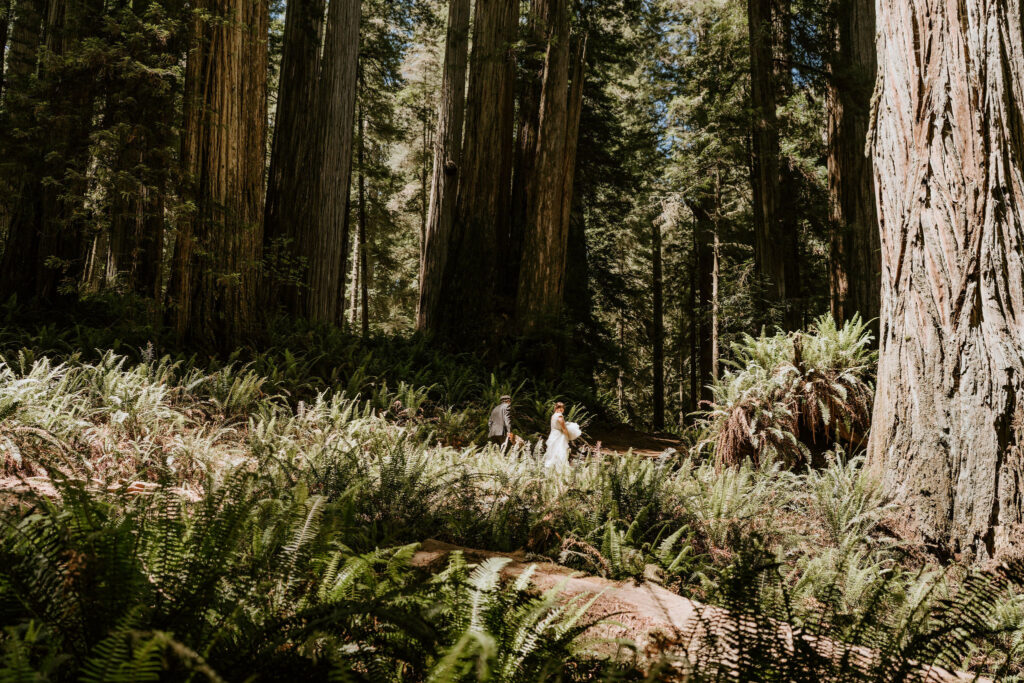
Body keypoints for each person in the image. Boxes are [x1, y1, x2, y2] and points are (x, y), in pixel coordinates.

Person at [543, 402, 580, 469]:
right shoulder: (559, 416)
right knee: (560, 452)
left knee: (553, 452)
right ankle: (559, 469)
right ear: (556, 408)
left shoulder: (553, 416)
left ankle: (552, 469)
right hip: (558, 436)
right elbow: (564, 429)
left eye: (562, 407)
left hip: (553, 435)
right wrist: (568, 437)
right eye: (559, 407)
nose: (561, 409)